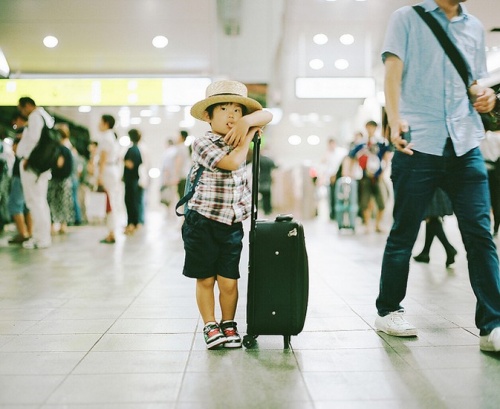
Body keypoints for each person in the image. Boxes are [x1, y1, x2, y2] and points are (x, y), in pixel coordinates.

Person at [375, 0, 500, 353]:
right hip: (419, 140)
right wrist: (395, 118)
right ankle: (388, 310)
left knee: (479, 234)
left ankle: (493, 324)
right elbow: (393, 73)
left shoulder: (473, 26)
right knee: (405, 231)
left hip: (466, 141)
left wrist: (486, 97)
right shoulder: (406, 19)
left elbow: (473, 82)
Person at [182, 80, 272, 349]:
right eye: (223, 108)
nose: (232, 115)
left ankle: (228, 324)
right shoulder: (202, 142)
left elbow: (268, 114)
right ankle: (210, 325)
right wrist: (247, 135)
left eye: (237, 110)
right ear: (208, 116)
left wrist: (248, 123)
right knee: (206, 278)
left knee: (229, 280)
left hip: (231, 223)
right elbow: (232, 162)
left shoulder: (242, 126)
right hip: (202, 221)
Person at [16, 97, 54, 249]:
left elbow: (33, 139)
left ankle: (40, 238)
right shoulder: (45, 116)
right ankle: (43, 236)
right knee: (40, 201)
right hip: (41, 167)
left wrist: (26, 157)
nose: (22, 112)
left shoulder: (35, 117)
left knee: (34, 202)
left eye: (22, 109)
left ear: (28, 106)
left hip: (33, 166)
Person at [348, 121, 392, 233]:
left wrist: (383, 172)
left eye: (372, 127)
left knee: (382, 201)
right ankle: (367, 225)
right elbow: (351, 157)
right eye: (368, 127)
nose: (370, 129)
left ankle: (377, 224)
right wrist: (350, 171)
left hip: (378, 177)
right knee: (365, 201)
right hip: (364, 176)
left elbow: (387, 157)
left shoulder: (381, 143)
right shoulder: (361, 144)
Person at [412, 188, 457, 267]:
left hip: (431, 186)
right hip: (436, 185)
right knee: (431, 216)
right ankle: (425, 252)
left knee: (431, 216)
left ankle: (449, 248)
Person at [7, 113, 32, 244]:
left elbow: (16, 150)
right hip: (28, 173)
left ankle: (23, 233)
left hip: (19, 173)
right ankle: (30, 232)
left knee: (14, 203)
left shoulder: (22, 133)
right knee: (27, 205)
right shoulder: (32, 133)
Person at [96, 114, 120, 244]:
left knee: (110, 203)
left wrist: (99, 176)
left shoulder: (106, 137)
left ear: (106, 123)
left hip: (107, 171)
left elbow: (103, 158)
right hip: (112, 170)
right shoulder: (111, 136)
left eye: (100, 122)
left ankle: (111, 232)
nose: (98, 125)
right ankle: (111, 231)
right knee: (112, 201)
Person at [47, 126, 74, 235]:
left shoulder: (60, 149)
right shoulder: (67, 149)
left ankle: (53, 225)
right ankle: (63, 225)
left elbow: (59, 163)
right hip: (66, 179)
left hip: (58, 180)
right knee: (65, 202)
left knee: (53, 202)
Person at [479, 129, 500, 235]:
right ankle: (494, 227)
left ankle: (492, 227)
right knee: (495, 201)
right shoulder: (496, 138)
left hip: (487, 172)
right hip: (493, 172)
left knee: (487, 201)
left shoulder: (477, 138)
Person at [123, 128, 143, 235]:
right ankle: (133, 223)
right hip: (133, 180)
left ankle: (132, 224)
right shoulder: (136, 149)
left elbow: (131, 164)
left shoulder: (132, 150)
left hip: (131, 180)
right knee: (132, 201)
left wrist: (121, 160)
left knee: (130, 202)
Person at [322, 138, 347, 220]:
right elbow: (325, 166)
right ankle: (333, 214)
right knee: (332, 196)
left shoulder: (341, 152)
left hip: (340, 176)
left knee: (341, 196)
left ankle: (340, 213)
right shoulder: (327, 153)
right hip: (331, 178)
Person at [258, 150, 277, 215]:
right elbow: (275, 166)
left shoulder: (259, 159)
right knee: (267, 195)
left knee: (264, 195)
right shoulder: (269, 160)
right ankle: (268, 209)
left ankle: (266, 210)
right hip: (267, 179)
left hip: (261, 179)